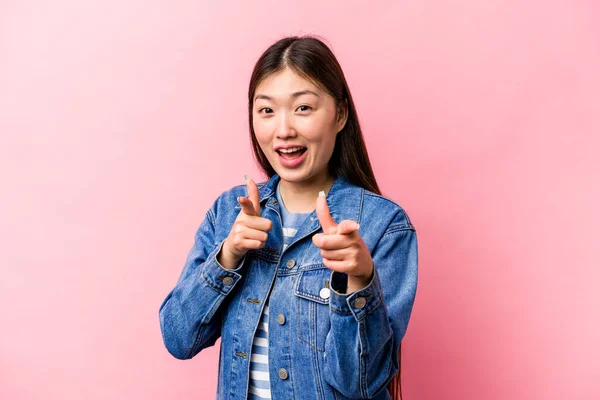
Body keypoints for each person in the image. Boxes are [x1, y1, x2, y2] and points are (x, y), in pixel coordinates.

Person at [158, 35, 418, 400]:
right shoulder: (227, 213)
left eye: (303, 108)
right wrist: (227, 257)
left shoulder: (382, 226)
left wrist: (360, 281)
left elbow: (359, 384)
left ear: (340, 114)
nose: (283, 130)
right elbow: (179, 338)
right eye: (266, 110)